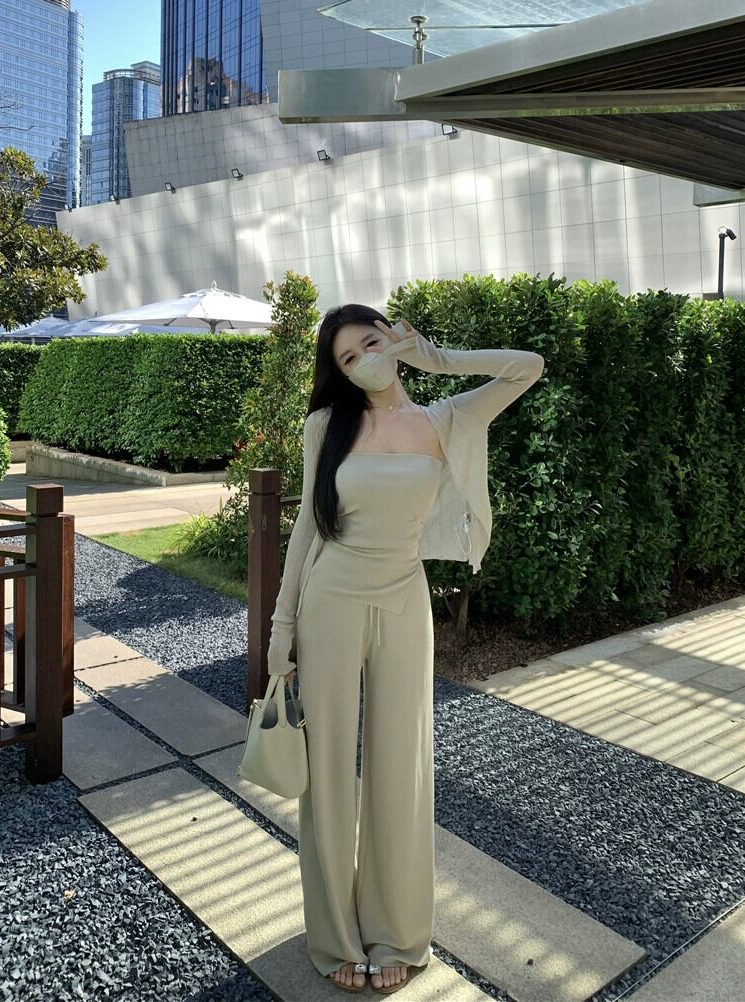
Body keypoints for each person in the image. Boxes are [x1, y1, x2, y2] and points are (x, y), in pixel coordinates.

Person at [267, 303, 545, 995]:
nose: (364, 361)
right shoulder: (326, 427)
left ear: (395, 337)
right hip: (331, 598)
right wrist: (280, 628)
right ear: (338, 374)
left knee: (402, 766)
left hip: (403, 599)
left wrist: (437, 358)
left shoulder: (445, 419)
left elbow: (527, 367)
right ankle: (335, 936)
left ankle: (395, 932)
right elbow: (307, 529)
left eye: (371, 342)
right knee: (329, 768)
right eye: (347, 359)